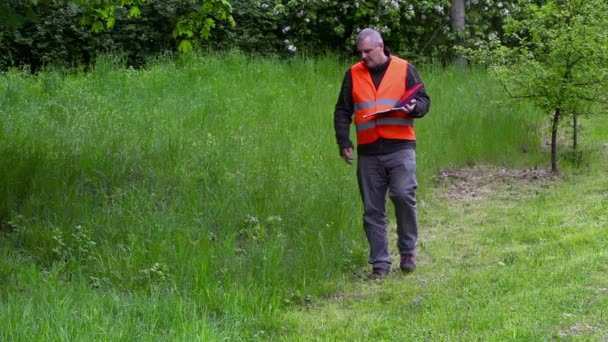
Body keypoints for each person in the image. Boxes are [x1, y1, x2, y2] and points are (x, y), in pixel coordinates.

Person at [333, 28, 431, 280]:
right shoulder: (353, 74)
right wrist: (344, 141)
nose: (363, 56)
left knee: (402, 195)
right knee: (372, 210)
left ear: (381, 46)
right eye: (360, 52)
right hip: (368, 152)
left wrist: (414, 108)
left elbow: (423, 101)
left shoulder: (404, 68)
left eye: (367, 51)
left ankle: (408, 251)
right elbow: (343, 110)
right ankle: (380, 263)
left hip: (400, 148)